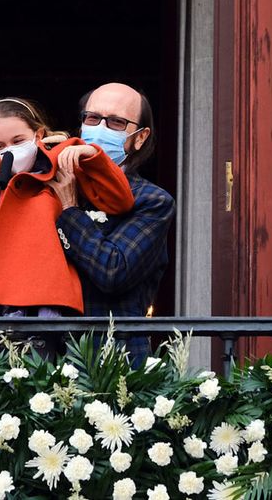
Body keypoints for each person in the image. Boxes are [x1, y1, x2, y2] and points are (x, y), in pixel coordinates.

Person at [0, 97, 135, 320]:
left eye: (18, 140)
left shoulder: (62, 159)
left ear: (38, 135)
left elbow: (120, 200)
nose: (9, 151)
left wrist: (92, 157)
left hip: (47, 294)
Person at [47, 83, 176, 362]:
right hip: (45, 359)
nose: (100, 129)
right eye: (92, 118)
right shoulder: (53, 185)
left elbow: (112, 271)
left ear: (139, 138)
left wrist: (70, 210)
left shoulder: (152, 201)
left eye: (116, 122)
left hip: (113, 362)